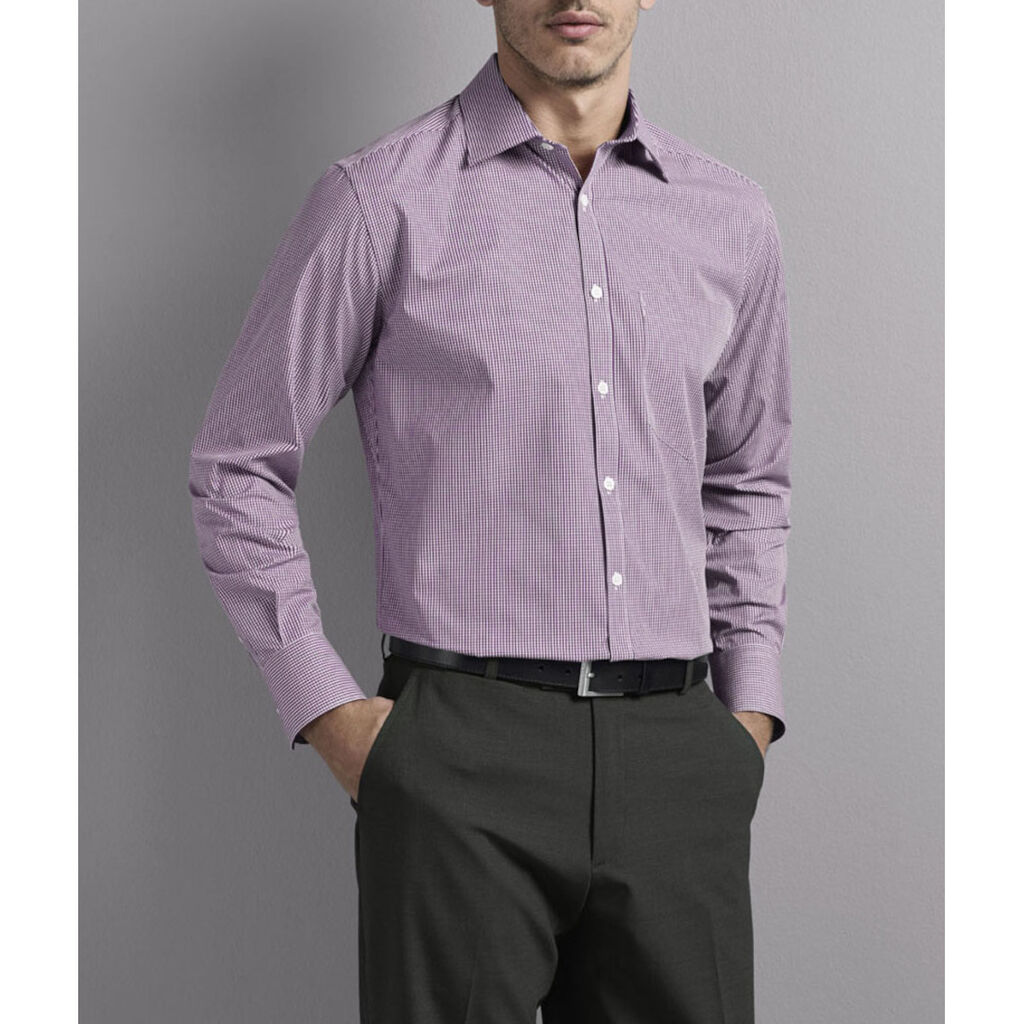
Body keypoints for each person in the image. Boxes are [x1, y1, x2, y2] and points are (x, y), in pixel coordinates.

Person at [188, 2, 793, 1020]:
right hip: (458, 754)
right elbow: (236, 467)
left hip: (680, 754)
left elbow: (748, 481)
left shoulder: (731, 217)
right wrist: (331, 715)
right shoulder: (380, 200)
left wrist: (747, 720)